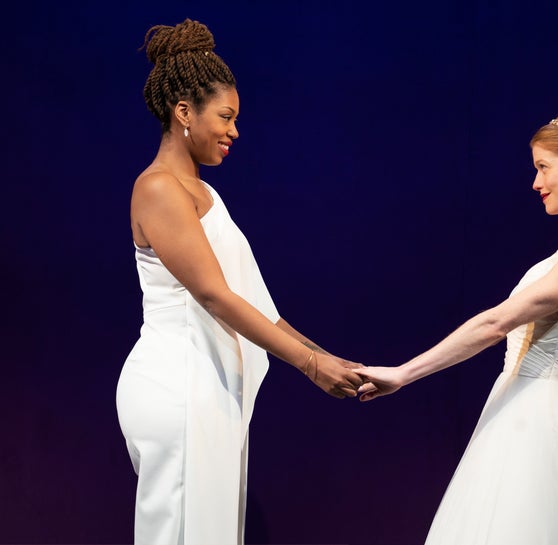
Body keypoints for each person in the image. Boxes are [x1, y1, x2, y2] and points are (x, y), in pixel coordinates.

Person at [354, 110, 558, 544]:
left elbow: (496, 323)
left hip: (542, 420)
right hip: (526, 408)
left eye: (544, 167)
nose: (536, 183)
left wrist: (402, 374)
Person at [115, 19, 363, 545]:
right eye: (225, 117)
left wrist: (326, 358)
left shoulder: (207, 195)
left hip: (209, 388)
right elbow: (213, 294)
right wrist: (309, 364)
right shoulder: (159, 188)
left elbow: (257, 306)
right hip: (177, 385)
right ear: (183, 112)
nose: (234, 131)